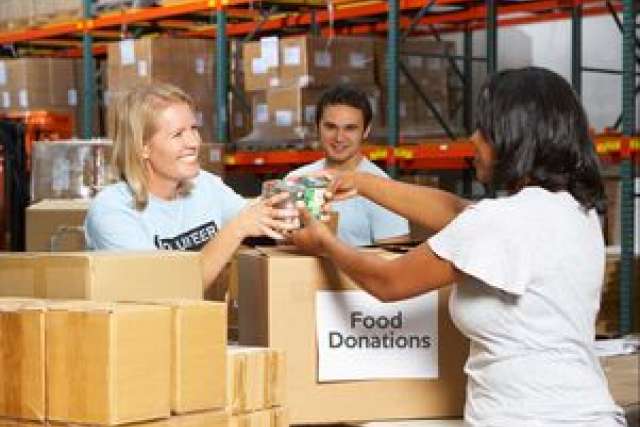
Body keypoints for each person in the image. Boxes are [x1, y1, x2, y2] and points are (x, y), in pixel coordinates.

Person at [291, 67, 626, 427]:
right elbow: (457, 212)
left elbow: (388, 282)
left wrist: (325, 242)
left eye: (484, 129)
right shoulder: (574, 210)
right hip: (587, 413)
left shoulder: (503, 222)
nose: (473, 139)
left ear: (514, 136)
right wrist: (359, 182)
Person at [85, 82, 297, 286]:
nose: (195, 143)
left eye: (194, 129)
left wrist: (299, 204)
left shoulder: (203, 185)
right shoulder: (113, 210)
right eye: (178, 134)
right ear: (143, 148)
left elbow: (263, 225)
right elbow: (164, 293)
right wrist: (237, 229)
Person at [286, 84, 409, 246]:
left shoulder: (384, 190)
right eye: (330, 127)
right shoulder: (296, 180)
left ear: (366, 131)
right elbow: (279, 251)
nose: (339, 138)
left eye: (350, 128)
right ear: (317, 127)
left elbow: (394, 261)